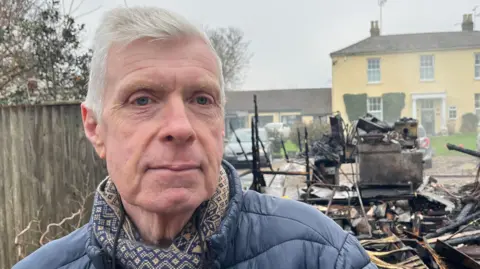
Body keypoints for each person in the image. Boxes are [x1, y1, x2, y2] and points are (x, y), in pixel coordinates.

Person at [13, 6, 377, 269]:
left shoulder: (321, 254)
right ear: (94, 127)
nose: (181, 126)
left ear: (220, 123)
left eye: (201, 100)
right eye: (142, 99)